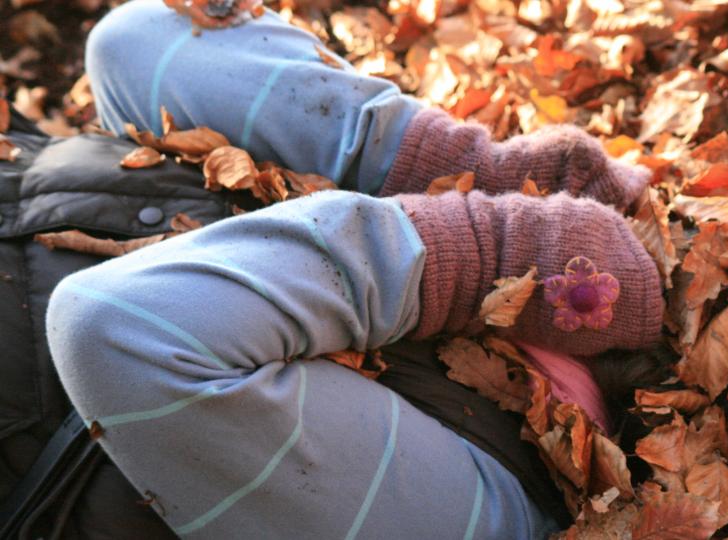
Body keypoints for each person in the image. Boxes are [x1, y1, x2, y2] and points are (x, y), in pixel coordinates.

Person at [41, 0, 664, 537]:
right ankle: (489, 243)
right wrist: (487, 254)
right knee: (124, 329)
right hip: (514, 481)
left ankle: (470, 189)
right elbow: (121, 329)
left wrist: (460, 184)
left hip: (215, 275)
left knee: (132, 38)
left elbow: (142, 40)